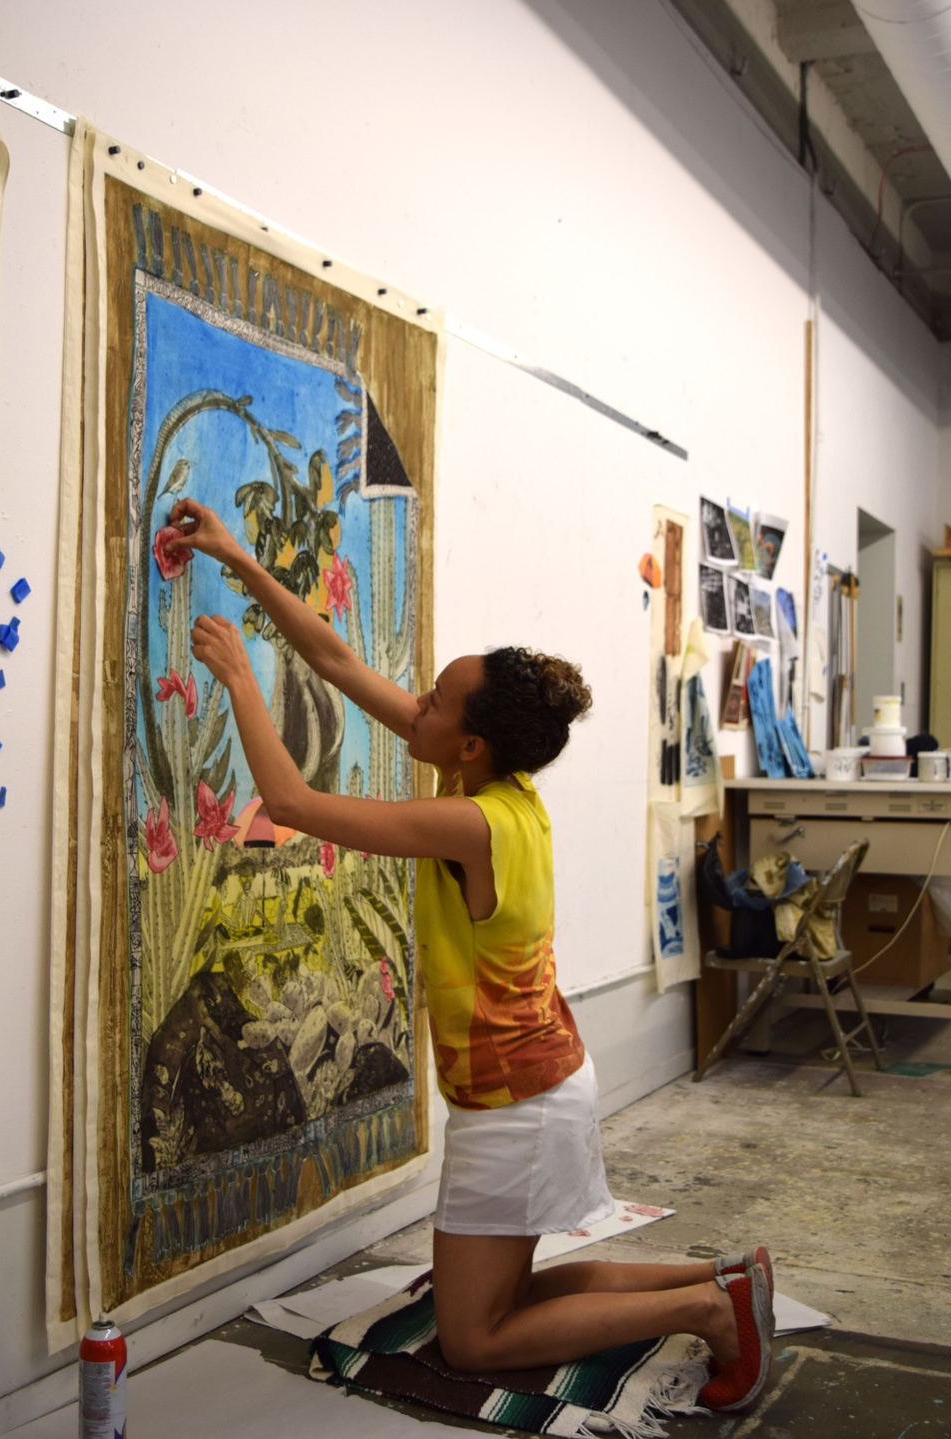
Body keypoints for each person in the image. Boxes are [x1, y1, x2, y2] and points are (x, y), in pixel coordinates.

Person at [166, 497, 774, 1414]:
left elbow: (288, 802)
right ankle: (722, 1280)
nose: (417, 706)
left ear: (472, 742)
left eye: (436, 702)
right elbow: (332, 659)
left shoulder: (468, 821)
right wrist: (236, 556)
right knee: (505, 1297)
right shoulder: (503, 785)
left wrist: (240, 680)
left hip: (517, 1107)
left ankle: (713, 1312)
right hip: (535, 1084)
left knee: (474, 1335)